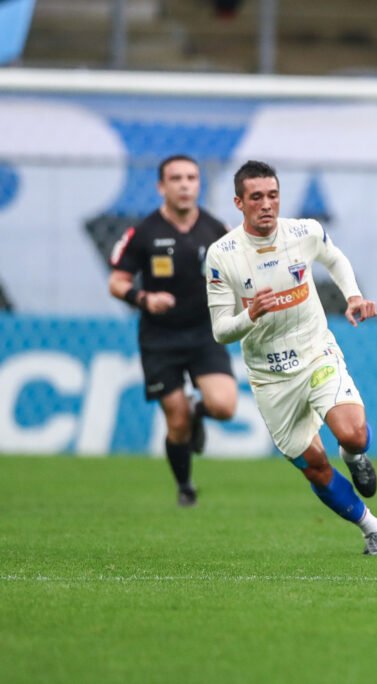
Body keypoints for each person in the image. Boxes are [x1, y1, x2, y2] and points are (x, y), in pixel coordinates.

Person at [205, 160, 377, 555]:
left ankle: (355, 455)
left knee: (353, 433)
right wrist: (249, 314)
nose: (267, 204)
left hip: (314, 351)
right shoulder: (223, 255)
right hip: (271, 376)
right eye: (256, 197)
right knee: (315, 468)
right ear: (239, 202)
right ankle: (370, 526)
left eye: (273, 195)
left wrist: (353, 295)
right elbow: (221, 330)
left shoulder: (304, 231)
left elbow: (335, 258)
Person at [108, 154, 238, 507]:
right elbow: (117, 282)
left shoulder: (217, 229)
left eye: (191, 178)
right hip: (160, 339)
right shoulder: (144, 232)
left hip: (203, 334)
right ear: (161, 186)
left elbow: (241, 273)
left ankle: (201, 414)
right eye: (176, 178)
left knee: (225, 406)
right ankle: (185, 487)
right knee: (176, 419)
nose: (184, 185)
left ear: (199, 184)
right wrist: (143, 297)